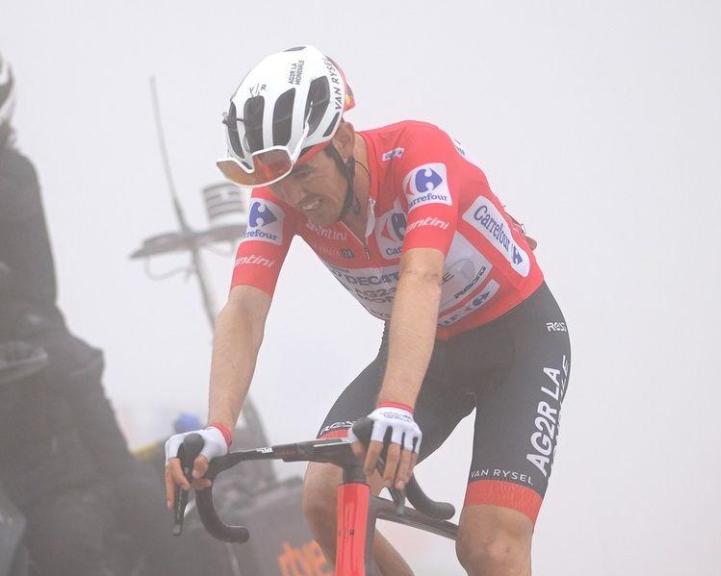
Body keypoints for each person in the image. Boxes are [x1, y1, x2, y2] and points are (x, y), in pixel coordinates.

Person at [163, 45, 571, 576]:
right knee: (325, 496)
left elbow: (420, 276)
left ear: (343, 139)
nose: (294, 194)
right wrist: (219, 427)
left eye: (304, 174)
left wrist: (397, 406)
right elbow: (244, 306)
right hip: (430, 352)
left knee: (488, 549)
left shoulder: (419, 154)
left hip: (518, 342)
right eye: (279, 180)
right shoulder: (277, 200)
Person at [0, 51, 190, 576]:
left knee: (114, 496)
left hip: (40, 362)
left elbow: (34, 288)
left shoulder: (12, 175)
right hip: (30, 373)